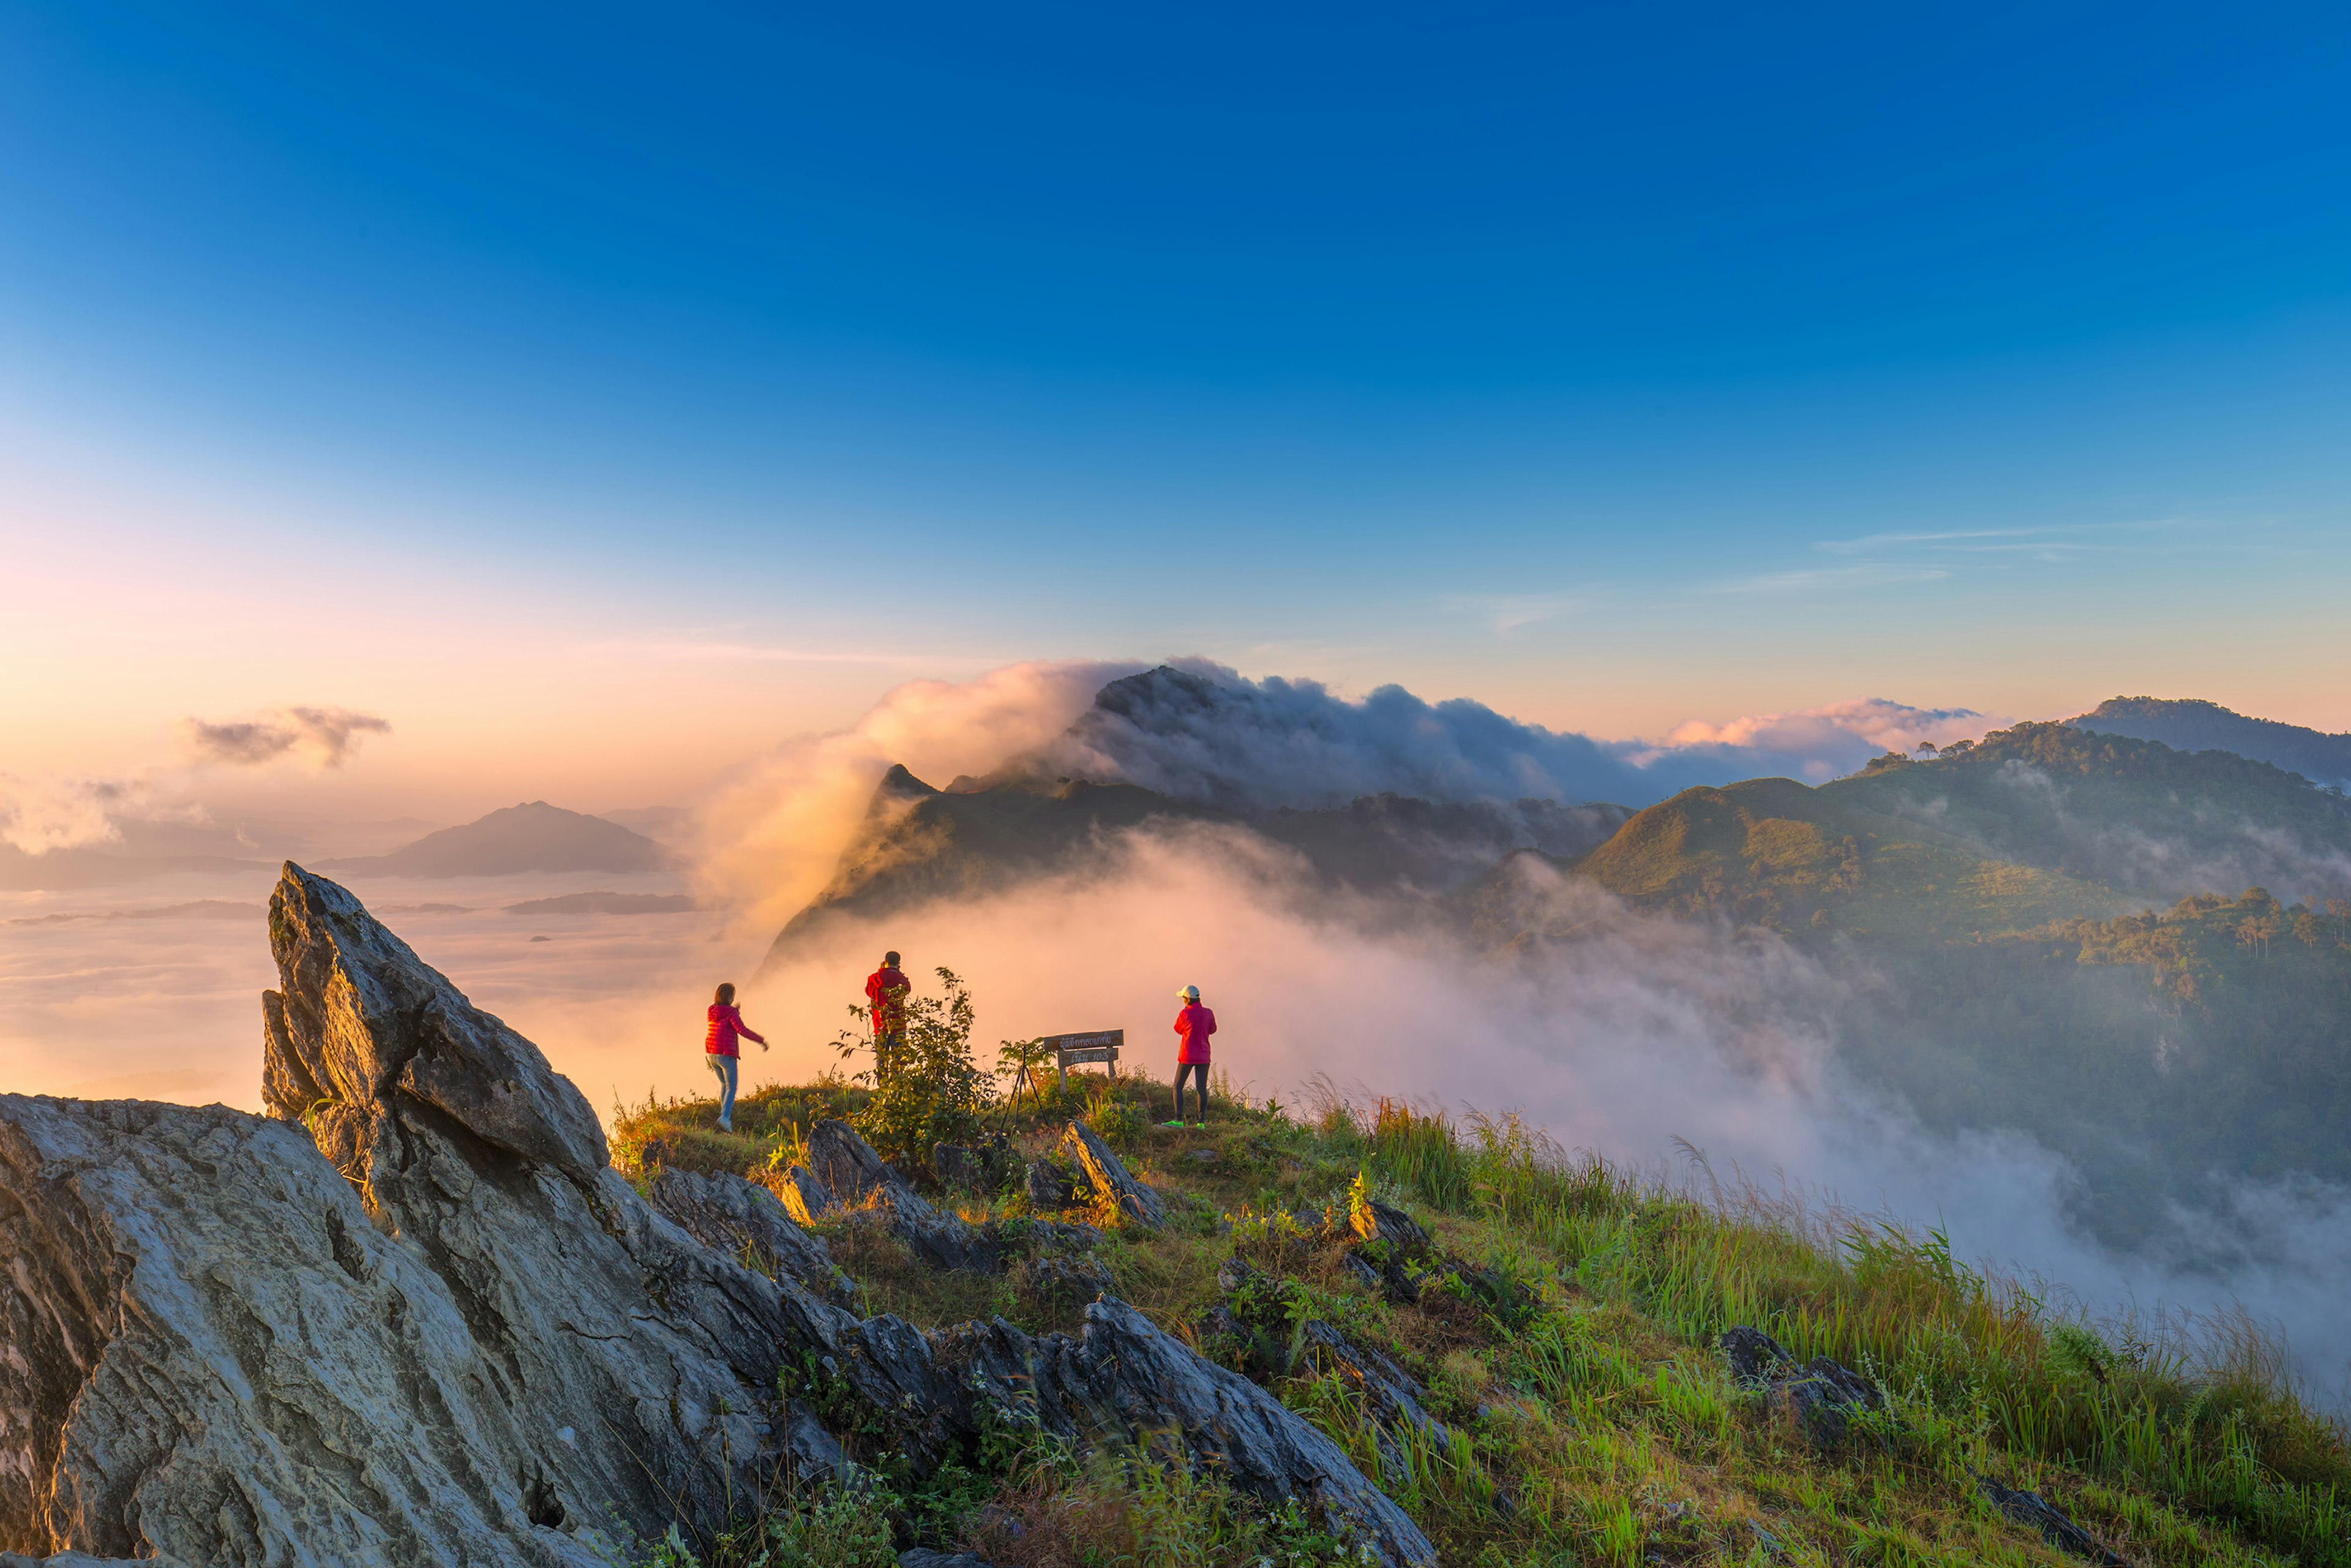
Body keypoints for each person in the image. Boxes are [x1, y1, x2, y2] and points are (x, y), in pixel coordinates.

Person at [703, 982, 767, 1132]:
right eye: (733, 995)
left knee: (725, 1085)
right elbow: (742, 1030)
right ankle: (725, 1118)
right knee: (732, 1087)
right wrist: (761, 1041)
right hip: (726, 1055)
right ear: (730, 996)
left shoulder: (712, 1011)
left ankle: (723, 1115)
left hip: (712, 1055)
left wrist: (734, 1011)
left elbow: (723, 1020)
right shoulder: (731, 1014)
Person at [1166, 984, 1216, 1128]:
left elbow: (1177, 1029)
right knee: (1201, 1088)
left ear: (1187, 999)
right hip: (1204, 1055)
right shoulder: (1208, 1013)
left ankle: (1178, 1119)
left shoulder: (1185, 1014)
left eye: (1183, 998)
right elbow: (1213, 1029)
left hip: (1187, 1055)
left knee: (1178, 1087)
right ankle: (1201, 1122)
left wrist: (1185, 1013)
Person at [864, 950, 910, 1082]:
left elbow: (869, 992)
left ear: (885, 962)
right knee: (898, 1057)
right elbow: (907, 990)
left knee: (882, 1057)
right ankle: (897, 1085)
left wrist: (881, 971)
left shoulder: (875, 978)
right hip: (898, 1023)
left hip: (880, 1023)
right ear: (899, 963)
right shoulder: (902, 980)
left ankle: (882, 1086)